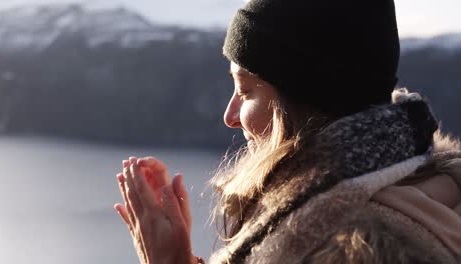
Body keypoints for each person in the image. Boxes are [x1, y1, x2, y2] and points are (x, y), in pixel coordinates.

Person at [113, 0, 461, 263]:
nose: (229, 116)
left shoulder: (350, 248)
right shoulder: (428, 191)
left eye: (246, 91)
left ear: (307, 96)